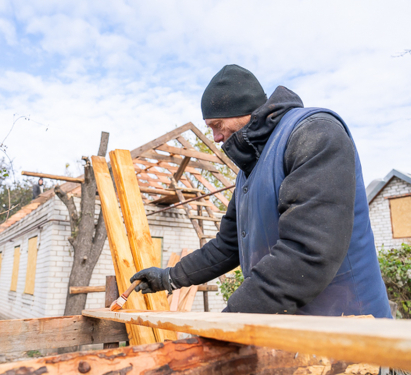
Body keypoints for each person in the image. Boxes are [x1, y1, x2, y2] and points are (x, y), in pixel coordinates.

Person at [131, 64, 392, 318]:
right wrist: (168, 277)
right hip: (295, 330)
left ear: (243, 110)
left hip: (350, 325)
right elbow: (226, 247)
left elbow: (308, 251)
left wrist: (234, 318)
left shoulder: (314, 133)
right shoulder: (249, 173)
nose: (216, 137)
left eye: (217, 125)